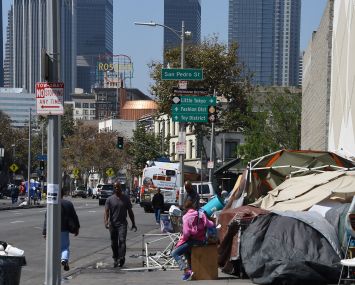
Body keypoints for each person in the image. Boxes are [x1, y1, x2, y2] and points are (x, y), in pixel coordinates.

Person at [171, 199, 215, 281]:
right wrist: (214, 223)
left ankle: (186, 270)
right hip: (202, 240)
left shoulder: (186, 217)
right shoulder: (201, 214)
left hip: (192, 240)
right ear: (193, 207)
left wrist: (182, 240)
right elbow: (209, 224)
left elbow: (186, 233)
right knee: (187, 251)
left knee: (174, 253)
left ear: (186, 208)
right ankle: (191, 270)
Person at [42, 190, 80, 271]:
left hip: (52, 230)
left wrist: (45, 231)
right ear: (63, 194)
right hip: (64, 229)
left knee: (53, 247)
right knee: (64, 247)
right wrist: (77, 228)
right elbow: (74, 216)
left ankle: (53, 265)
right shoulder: (68, 204)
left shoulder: (51, 203)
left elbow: (47, 218)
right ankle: (64, 259)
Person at [104, 181, 137, 268]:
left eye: (118, 187)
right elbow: (106, 212)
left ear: (120, 188)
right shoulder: (109, 199)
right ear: (113, 188)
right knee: (113, 243)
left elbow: (130, 212)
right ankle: (115, 258)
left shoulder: (126, 199)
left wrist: (133, 223)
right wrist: (106, 222)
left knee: (122, 241)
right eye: (115, 187)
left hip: (122, 224)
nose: (116, 188)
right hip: (113, 224)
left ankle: (121, 257)